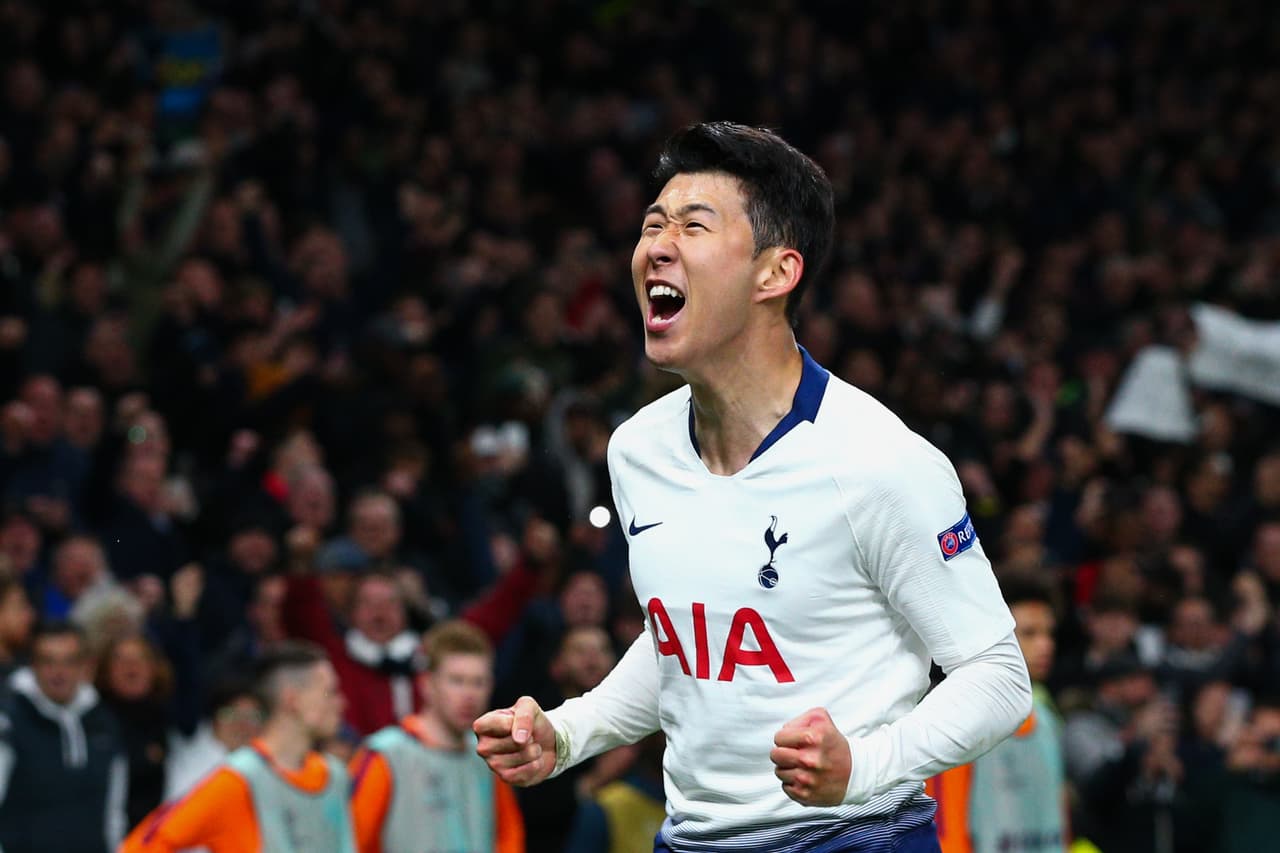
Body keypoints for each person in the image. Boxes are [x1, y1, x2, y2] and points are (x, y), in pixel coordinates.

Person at [474, 120, 1032, 852]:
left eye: (693, 226)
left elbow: (998, 676)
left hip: (852, 837)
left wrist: (866, 764)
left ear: (776, 273)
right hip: (691, 839)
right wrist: (570, 729)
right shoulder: (637, 450)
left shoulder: (879, 462)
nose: (657, 246)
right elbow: (687, 640)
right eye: (652, 225)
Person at [121, 640, 356, 852]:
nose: (342, 703)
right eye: (329, 692)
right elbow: (144, 845)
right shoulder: (239, 780)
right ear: (291, 699)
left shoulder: (334, 776)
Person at [349, 619, 524, 853]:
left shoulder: (489, 755)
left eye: (478, 682)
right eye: (457, 681)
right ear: (426, 684)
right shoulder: (386, 755)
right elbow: (350, 842)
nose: (469, 694)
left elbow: (509, 838)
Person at [926, 573, 1068, 853]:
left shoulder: (1048, 720)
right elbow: (947, 834)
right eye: (1029, 633)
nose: (1046, 644)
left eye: (1048, 633)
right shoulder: (957, 716)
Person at [0, 620, 129, 853]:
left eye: (69, 662)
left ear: (85, 666)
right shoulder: (8, 722)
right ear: (33, 665)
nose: (58, 672)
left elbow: (114, 814)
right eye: (48, 661)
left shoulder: (105, 723)